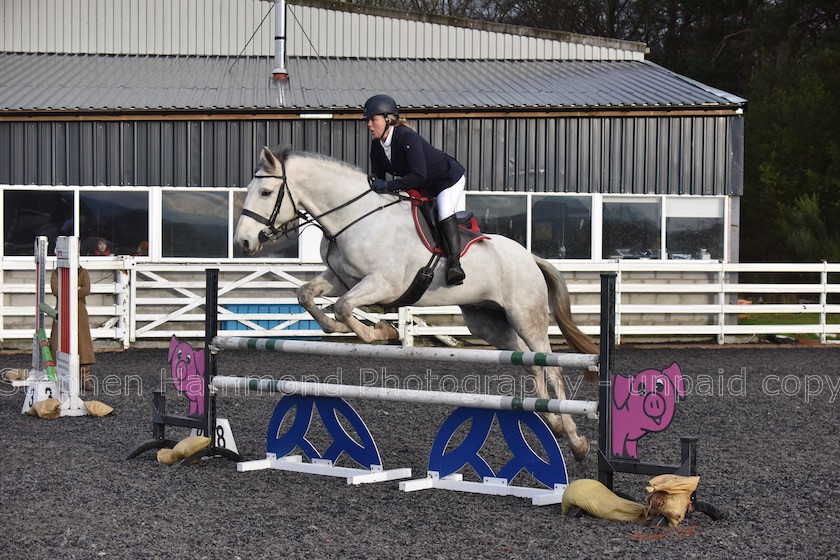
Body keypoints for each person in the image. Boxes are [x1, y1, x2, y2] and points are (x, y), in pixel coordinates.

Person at [363, 94, 467, 286]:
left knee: (444, 211)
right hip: (423, 185)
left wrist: (387, 186)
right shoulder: (376, 146)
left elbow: (418, 175)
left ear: (388, 119)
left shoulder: (406, 137)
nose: (369, 124)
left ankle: (455, 266)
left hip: (447, 178)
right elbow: (378, 179)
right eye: (368, 120)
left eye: (373, 119)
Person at [49, 266, 95, 392]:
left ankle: (85, 378)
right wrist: (74, 290)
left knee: (83, 343)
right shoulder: (56, 272)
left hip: (79, 311)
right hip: (62, 310)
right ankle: (56, 376)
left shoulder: (83, 272)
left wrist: (67, 290)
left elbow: (86, 290)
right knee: (56, 341)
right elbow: (55, 290)